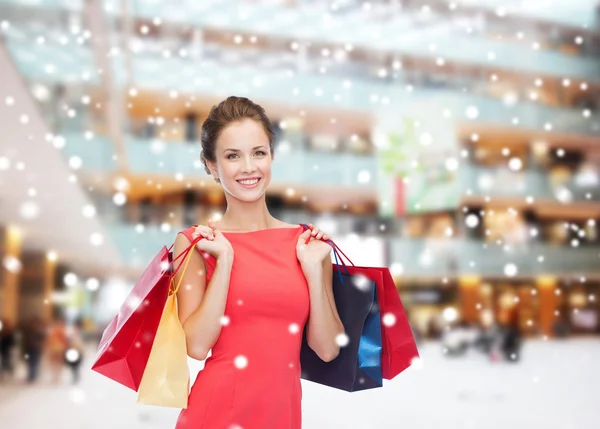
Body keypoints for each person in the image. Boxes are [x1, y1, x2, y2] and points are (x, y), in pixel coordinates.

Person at [172, 96, 344, 429]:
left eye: (258, 153)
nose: (249, 167)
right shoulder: (198, 242)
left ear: (272, 156)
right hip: (215, 416)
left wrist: (312, 271)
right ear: (211, 165)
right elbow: (196, 345)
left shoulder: (307, 244)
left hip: (283, 417)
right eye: (232, 156)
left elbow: (327, 349)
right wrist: (224, 263)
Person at [21, 316, 46, 383]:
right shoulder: (27, 331)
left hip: (36, 350)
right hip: (28, 349)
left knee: (35, 362)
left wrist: (39, 345)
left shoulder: (39, 331)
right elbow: (24, 341)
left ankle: (33, 376)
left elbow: (42, 340)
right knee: (29, 362)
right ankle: (30, 375)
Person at [45, 318, 68, 384]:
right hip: (58, 348)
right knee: (57, 364)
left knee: (54, 364)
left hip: (55, 348)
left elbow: (49, 340)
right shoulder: (61, 331)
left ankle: (55, 377)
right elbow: (64, 340)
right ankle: (56, 377)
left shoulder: (53, 331)